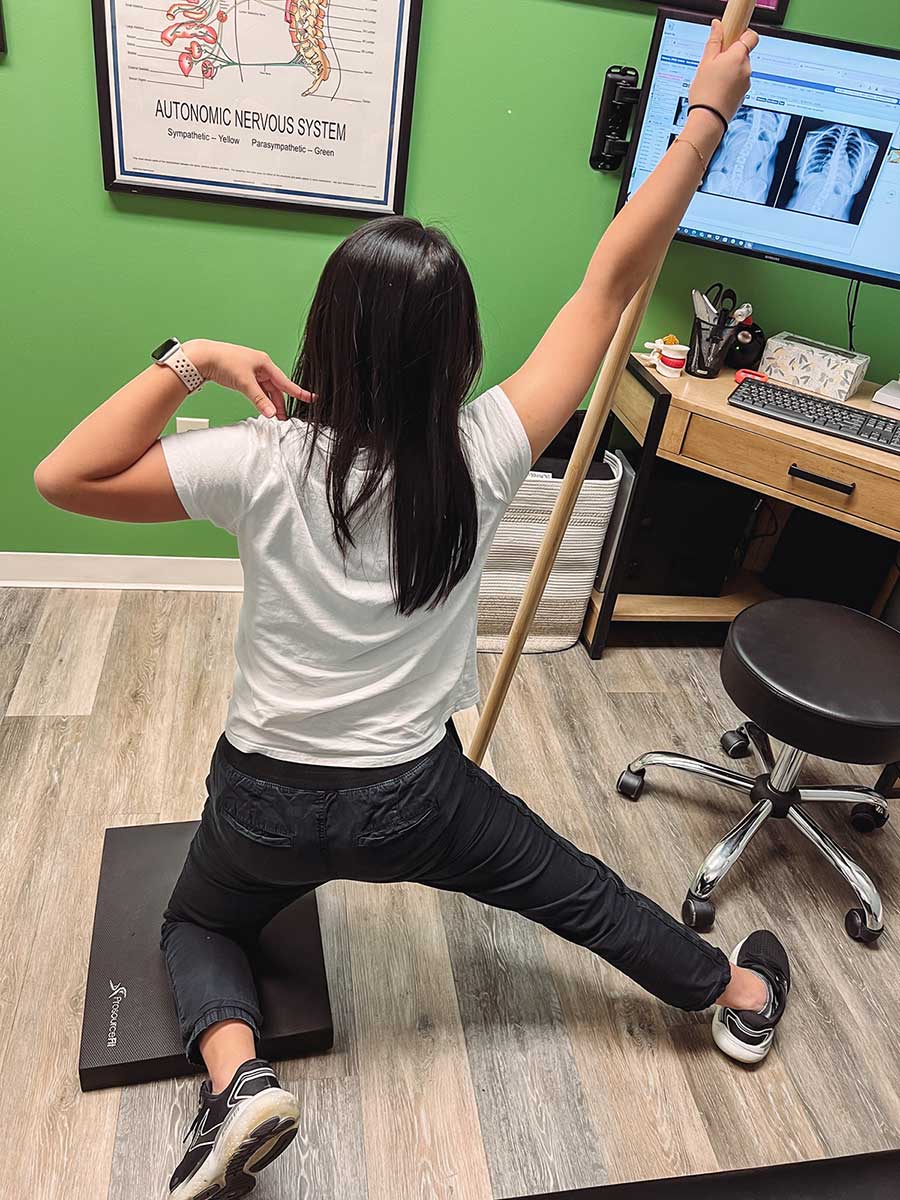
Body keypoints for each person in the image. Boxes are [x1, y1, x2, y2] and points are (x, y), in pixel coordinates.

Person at [36, 21, 788, 1200]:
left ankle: (238, 1083)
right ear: (459, 352)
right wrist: (705, 116)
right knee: (577, 891)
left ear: (328, 332)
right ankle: (735, 994)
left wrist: (196, 357)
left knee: (196, 928)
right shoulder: (486, 447)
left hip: (266, 798)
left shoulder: (258, 461)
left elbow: (65, 477)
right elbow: (611, 280)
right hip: (417, 801)